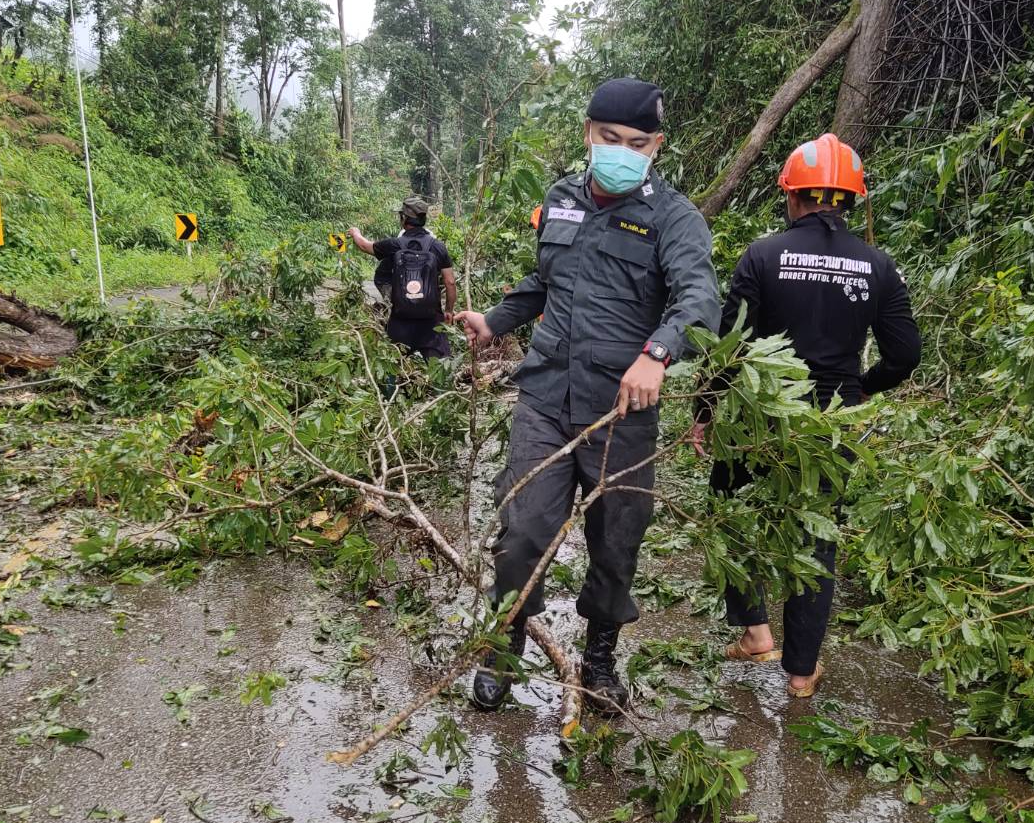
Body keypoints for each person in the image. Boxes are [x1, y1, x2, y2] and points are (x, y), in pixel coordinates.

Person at [455, 78, 720, 713]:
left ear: (656, 146)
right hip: (545, 398)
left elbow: (699, 301)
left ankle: (599, 658)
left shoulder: (675, 219)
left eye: (637, 143)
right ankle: (504, 646)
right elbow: (543, 282)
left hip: (621, 413)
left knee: (616, 541)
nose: (621, 151)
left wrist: (657, 354)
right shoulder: (561, 199)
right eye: (609, 138)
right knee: (522, 531)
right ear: (588, 134)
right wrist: (494, 320)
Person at [691, 133, 921, 697]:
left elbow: (729, 346)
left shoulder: (762, 255)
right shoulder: (878, 266)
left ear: (792, 195)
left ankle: (755, 634)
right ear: (851, 200)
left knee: (734, 516)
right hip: (828, 425)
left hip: (755, 415)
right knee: (814, 538)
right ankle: (800, 674)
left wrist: (704, 411)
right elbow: (905, 355)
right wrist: (860, 388)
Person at [349, 196, 457, 360]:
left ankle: (393, 375)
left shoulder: (394, 245)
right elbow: (450, 282)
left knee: (393, 363)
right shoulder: (438, 246)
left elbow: (364, 245)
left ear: (404, 219)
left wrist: (355, 233)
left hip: (401, 320)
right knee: (440, 368)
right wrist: (448, 310)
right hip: (431, 322)